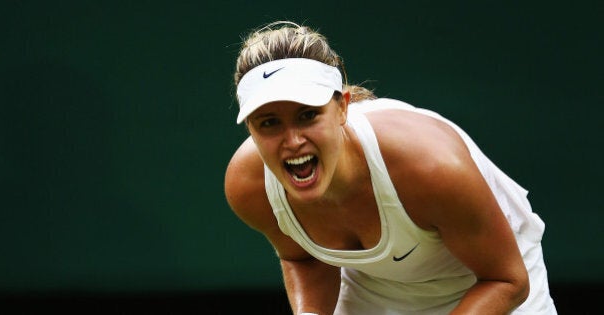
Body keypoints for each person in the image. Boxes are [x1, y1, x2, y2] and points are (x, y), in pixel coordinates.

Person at [224, 20, 557, 315]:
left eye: (308, 115)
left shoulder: (430, 167)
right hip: (373, 288)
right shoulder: (249, 186)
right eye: (269, 123)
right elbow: (305, 258)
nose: (292, 140)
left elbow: (507, 280)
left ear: (342, 107)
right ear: (250, 128)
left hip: (492, 283)